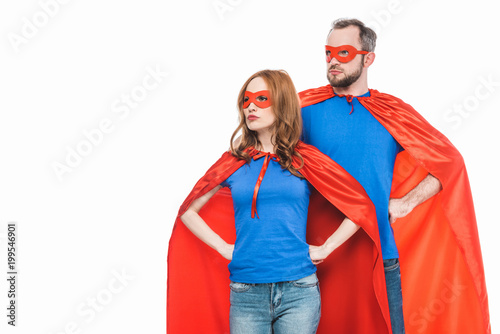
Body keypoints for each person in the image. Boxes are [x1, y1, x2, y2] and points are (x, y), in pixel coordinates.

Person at [299, 18, 491, 334]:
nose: (333, 60)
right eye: (328, 52)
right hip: (317, 256)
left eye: (344, 52)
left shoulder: (390, 111)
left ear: (367, 58)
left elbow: (450, 162)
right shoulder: (303, 108)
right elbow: (266, 160)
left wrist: (405, 203)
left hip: (378, 251)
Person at [167, 69, 390, 333]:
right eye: (246, 100)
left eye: (261, 99)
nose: (250, 106)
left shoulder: (305, 160)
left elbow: (360, 205)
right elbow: (188, 210)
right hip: (246, 291)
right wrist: (223, 247)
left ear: (282, 103)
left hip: (299, 290)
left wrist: (325, 248)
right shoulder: (234, 161)